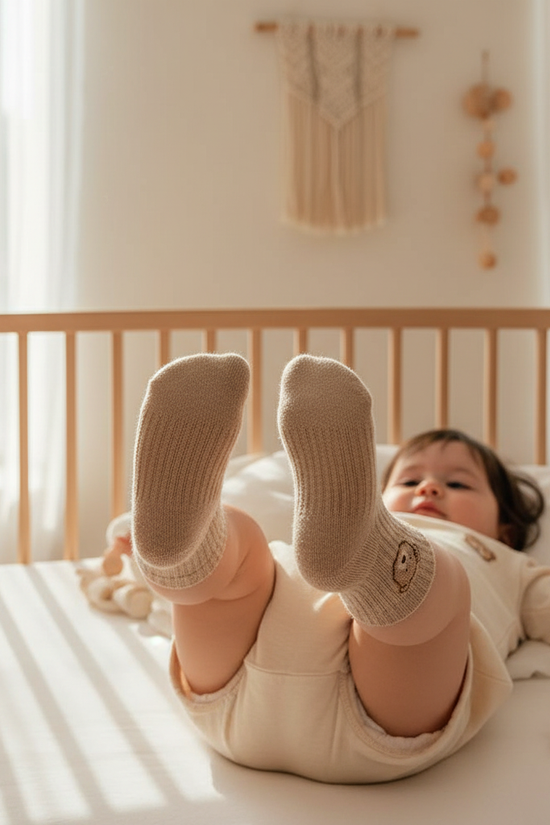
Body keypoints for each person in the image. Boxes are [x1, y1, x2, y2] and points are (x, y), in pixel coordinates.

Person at [131, 352, 550, 784]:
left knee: (437, 581)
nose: (429, 487)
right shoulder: (322, 533)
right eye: (407, 481)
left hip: (282, 710)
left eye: (458, 483)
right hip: (255, 659)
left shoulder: (513, 563)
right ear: (374, 494)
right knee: (241, 543)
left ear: (506, 529)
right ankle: (191, 548)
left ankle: (201, 564)